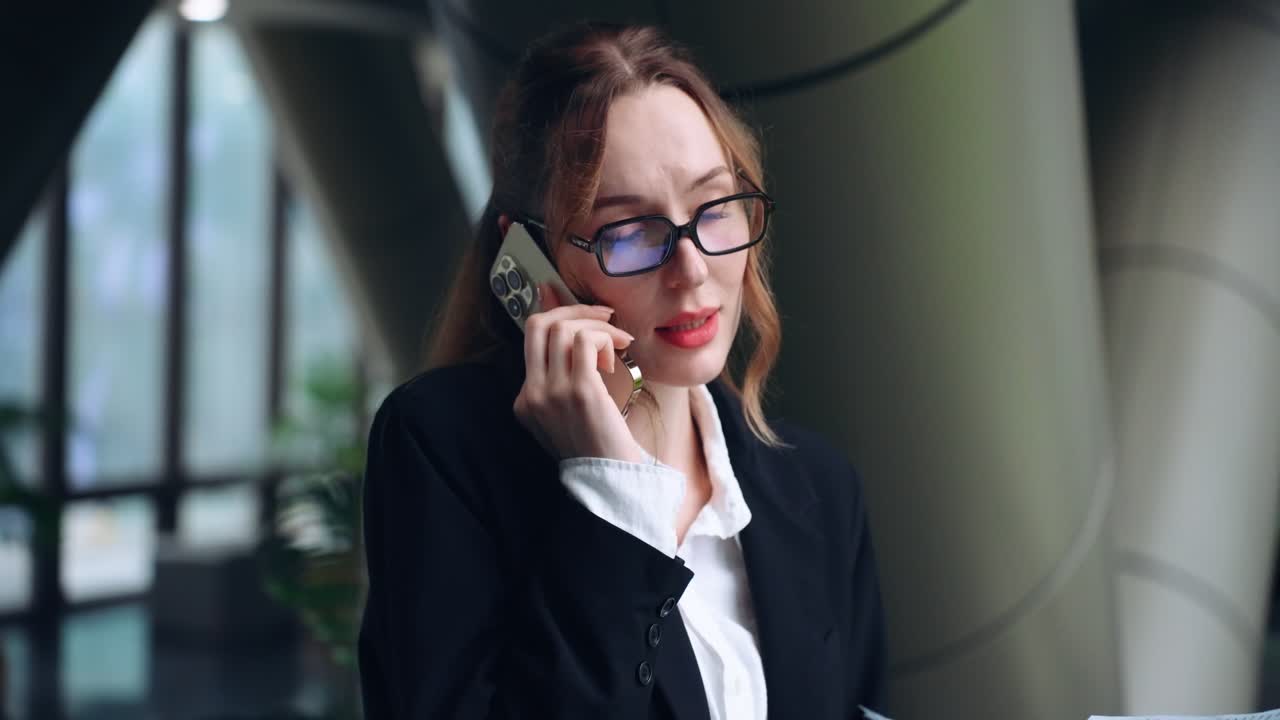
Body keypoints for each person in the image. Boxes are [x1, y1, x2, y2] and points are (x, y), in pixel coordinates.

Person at [357, 21, 887, 720]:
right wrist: (610, 493)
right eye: (630, 231)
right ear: (531, 265)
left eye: (714, 206)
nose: (692, 270)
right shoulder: (444, 451)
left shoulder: (816, 488)